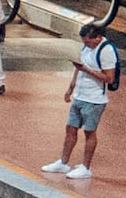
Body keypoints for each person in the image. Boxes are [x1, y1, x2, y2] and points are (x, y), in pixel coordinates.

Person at [48, 22, 115, 182]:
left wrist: (88, 71)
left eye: (87, 41)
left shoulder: (107, 51)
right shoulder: (86, 48)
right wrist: (71, 88)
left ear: (97, 38)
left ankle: (86, 167)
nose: (85, 45)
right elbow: (78, 68)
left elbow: (109, 78)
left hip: (94, 99)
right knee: (71, 128)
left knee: (89, 132)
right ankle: (63, 162)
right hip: (80, 94)